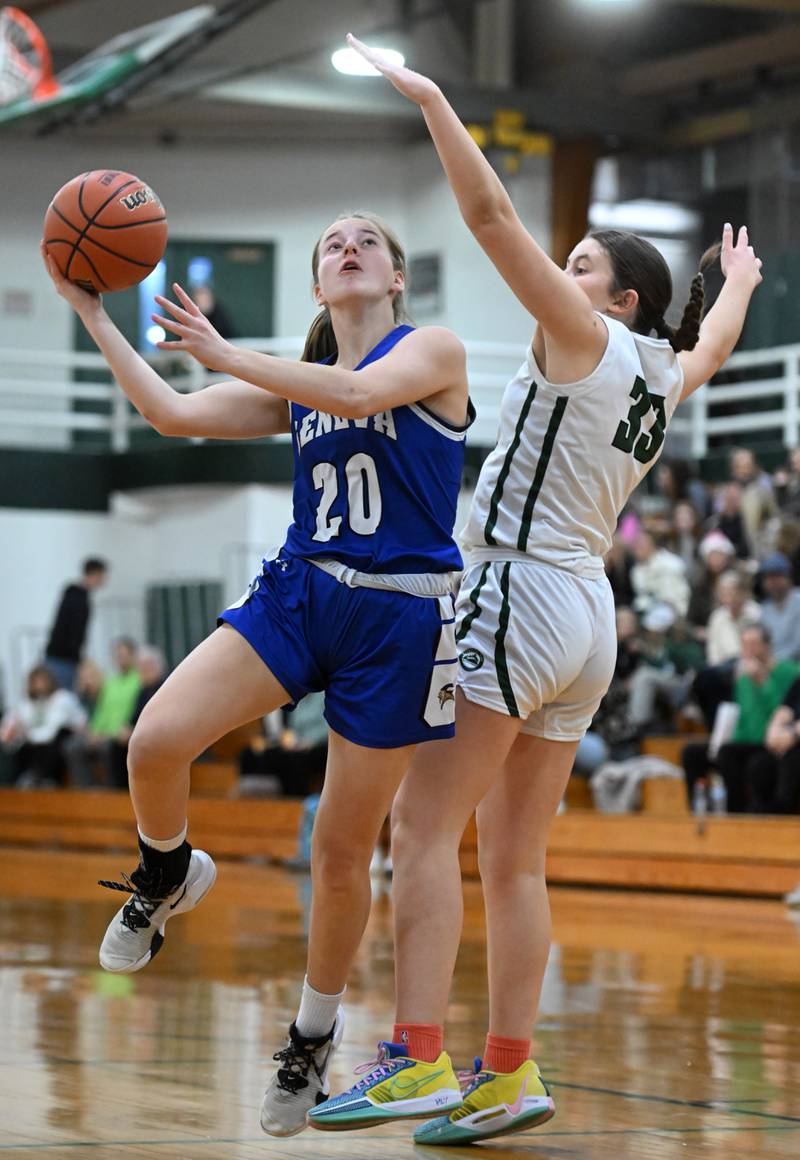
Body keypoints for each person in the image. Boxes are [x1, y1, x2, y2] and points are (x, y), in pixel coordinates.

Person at [307, 35, 764, 1145]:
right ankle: (506, 1070)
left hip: (514, 592)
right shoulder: (660, 369)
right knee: (512, 858)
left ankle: (415, 1055)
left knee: (420, 829)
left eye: (579, 266)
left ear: (613, 296)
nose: (558, 276)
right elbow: (705, 339)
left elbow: (487, 220)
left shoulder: (584, 338)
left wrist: (426, 98)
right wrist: (734, 286)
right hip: (583, 621)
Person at [42, 210, 471, 1135]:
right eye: (332, 244)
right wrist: (95, 314)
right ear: (320, 286)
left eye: (367, 241)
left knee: (341, 849)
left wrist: (226, 352)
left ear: (396, 278)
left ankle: (312, 1038)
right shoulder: (300, 387)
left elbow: (359, 398)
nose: (348, 247)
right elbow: (170, 412)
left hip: (400, 616)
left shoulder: (431, 349)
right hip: (301, 591)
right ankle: (166, 871)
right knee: (155, 739)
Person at [682, 624, 797, 812]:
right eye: (744, 645)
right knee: (692, 753)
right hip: (740, 742)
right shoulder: (742, 677)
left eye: (754, 644)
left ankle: (735, 813)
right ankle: (699, 811)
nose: (748, 650)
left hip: (769, 743)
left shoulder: (789, 672)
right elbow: (740, 716)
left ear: (768, 646)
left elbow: (785, 711)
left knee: (733, 756)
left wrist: (763, 682)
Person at [64, 638, 141, 787]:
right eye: (118, 655)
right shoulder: (110, 683)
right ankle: (89, 790)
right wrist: (95, 731)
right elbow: (102, 711)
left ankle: (114, 792)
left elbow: (135, 710)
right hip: (103, 733)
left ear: (132, 656)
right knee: (72, 747)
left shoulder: (139, 680)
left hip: (121, 733)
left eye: (124, 655)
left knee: (107, 748)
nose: (121, 659)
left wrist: (113, 732)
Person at [0, 664, 86, 787]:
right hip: (36, 743)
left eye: (42, 681)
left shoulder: (63, 698)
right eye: (35, 682)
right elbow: (10, 727)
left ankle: (48, 779)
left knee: (56, 740)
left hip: (60, 742)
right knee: (25, 748)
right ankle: (30, 778)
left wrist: (27, 734)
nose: (39, 685)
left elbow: (54, 731)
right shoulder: (27, 704)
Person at [44, 558, 108, 690]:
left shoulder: (72, 594)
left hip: (58, 656)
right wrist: (79, 659)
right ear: (95, 574)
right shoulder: (80, 600)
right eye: (102, 576)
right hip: (65, 659)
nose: (104, 580)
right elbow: (75, 633)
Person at [758, 552, 800, 661]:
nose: (773, 583)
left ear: (788, 578)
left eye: (777, 577)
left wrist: (774, 660)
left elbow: (797, 646)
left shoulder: (798, 600)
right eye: (769, 578)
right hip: (772, 664)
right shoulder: (765, 609)